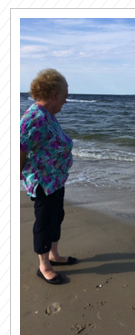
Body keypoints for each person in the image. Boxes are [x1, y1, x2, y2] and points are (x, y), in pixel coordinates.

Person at [20, 68, 77, 284]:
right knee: (44, 222)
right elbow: (19, 147)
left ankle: (54, 255)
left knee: (56, 217)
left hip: (55, 180)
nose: (65, 101)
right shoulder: (35, 117)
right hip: (43, 182)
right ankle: (44, 266)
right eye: (65, 96)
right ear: (54, 95)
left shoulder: (49, 115)